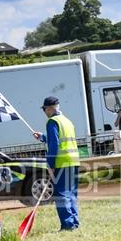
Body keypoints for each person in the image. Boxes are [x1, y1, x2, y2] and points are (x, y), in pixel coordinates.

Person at [32, 96, 80, 231]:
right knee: (72, 194)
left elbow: (54, 144)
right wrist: (42, 137)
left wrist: (50, 163)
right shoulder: (67, 121)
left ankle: (67, 225)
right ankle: (74, 222)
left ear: (50, 108)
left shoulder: (52, 122)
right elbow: (59, 139)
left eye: (44, 109)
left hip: (61, 162)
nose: (45, 112)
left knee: (61, 194)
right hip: (74, 160)